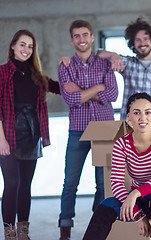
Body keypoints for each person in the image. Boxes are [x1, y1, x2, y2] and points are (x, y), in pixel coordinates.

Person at [82, 92, 151, 240]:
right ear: (128, 116)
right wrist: (138, 214)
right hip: (142, 203)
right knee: (107, 204)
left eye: (148, 112)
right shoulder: (121, 144)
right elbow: (116, 183)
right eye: (136, 113)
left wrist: (135, 193)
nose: (143, 118)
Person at [57, 20, 118, 240]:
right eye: (76, 36)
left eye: (85, 35)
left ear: (92, 37)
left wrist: (84, 90)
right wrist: (98, 88)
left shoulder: (105, 63)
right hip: (78, 130)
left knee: (103, 182)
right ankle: (65, 228)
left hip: (104, 129)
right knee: (70, 182)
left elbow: (112, 95)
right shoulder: (65, 66)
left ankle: (98, 225)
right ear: (71, 40)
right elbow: (71, 99)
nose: (81, 39)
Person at [0, 29, 59, 240]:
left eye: (30, 46)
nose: (26, 49)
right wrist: (1, 140)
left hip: (32, 134)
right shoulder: (1, 73)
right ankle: (9, 232)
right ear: (13, 46)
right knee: (12, 183)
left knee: (25, 184)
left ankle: (23, 232)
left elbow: (62, 88)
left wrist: (69, 68)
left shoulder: (37, 76)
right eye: (22, 44)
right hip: (8, 133)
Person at [97, 17, 151, 120]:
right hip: (130, 124)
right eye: (138, 40)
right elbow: (98, 54)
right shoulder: (127, 64)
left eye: (146, 39)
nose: (142, 43)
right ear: (133, 43)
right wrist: (113, 55)